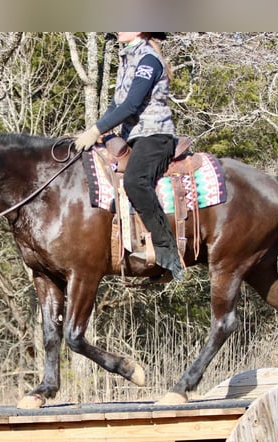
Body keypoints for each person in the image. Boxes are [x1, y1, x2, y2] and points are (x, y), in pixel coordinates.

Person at [73, 32, 185, 281]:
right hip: (132, 136)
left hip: (155, 136)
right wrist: (96, 130)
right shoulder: (127, 58)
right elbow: (116, 106)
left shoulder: (148, 60)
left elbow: (131, 105)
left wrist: (96, 131)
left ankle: (168, 253)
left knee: (135, 181)